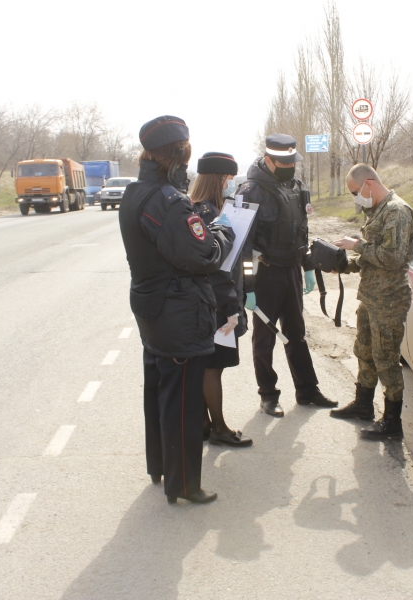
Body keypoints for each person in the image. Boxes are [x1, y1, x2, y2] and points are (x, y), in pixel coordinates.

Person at [119, 116, 234, 504]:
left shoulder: (136, 192)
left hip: (152, 308)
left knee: (158, 393)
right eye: (185, 160)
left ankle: (160, 466)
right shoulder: (168, 201)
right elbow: (202, 256)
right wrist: (222, 233)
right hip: (178, 312)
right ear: (177, 157)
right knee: (183, 401)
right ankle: (184, 485)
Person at [236, 134, 337, 417]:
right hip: (265, 275)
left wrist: (307, 266)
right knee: (265, 339)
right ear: (268, 160)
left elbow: (301, 231)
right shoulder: (250, 192)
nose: (290, 167)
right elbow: (244, 246)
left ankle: (307, 390)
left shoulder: (297, 186)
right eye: (284, 163)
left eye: (293, 162)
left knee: (297, 334)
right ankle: (268, 394)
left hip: (291, 271)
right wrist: (248, 285)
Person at [329, 163, 413, 440]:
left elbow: (392, 258)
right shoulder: (378, 210)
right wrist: (345, 264)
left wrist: (356, 245)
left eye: (355, 192)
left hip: (389, 301)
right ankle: (363, 404)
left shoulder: (397, 212)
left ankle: (392, 422)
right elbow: (372, 257)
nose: (356, 198)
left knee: (386, 359)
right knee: (364, 351)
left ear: (368, 183)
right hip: (371, 297)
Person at [188, 151, 252, 447]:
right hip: (216, 303)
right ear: (216, 179)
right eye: (228, 179)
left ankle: (204, 424)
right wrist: (231, 308)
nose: (231, 184)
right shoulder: (208, 214)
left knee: (208, 366)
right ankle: (219, 428)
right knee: (212, 367)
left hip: (211, 300)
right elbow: (216, 269)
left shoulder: (206, 208)